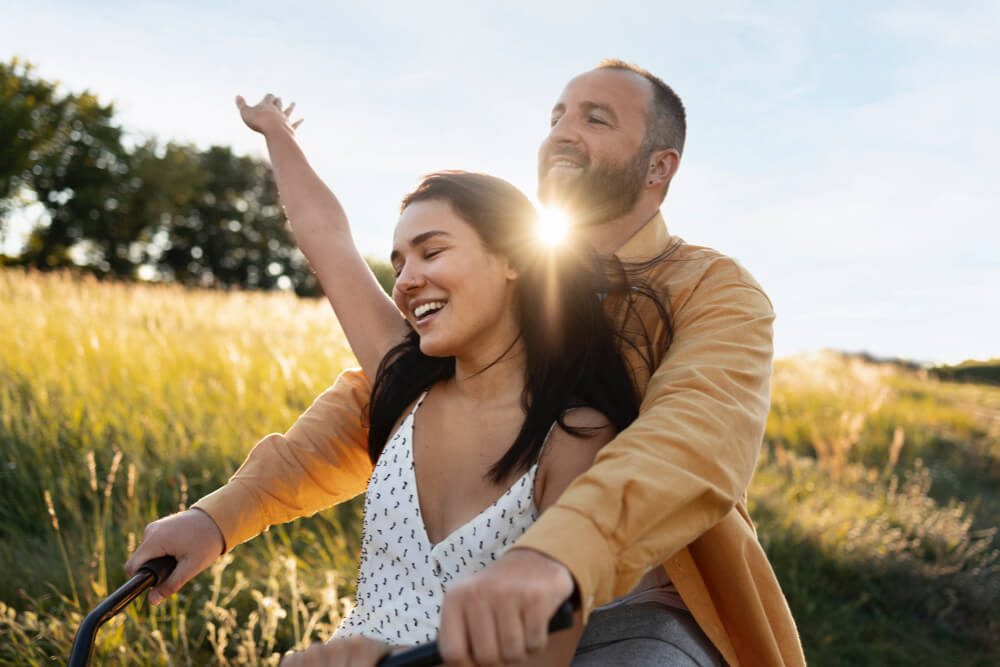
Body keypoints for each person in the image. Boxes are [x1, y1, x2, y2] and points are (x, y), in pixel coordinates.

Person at [127, 60, 805, 666]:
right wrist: (220, 516)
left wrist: (557, 555)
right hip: (444, 626)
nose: (561, 135)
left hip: (632, 613)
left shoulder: (714, 290)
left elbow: (694, 439)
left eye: (595, 118)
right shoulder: (483, 305)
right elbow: (373, 405)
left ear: (660, 166)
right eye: (555, 117)